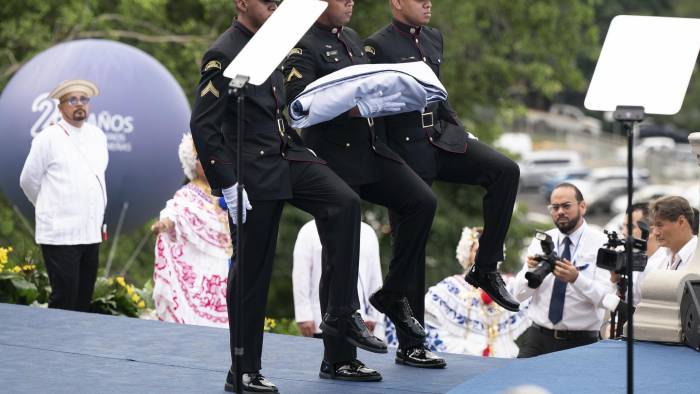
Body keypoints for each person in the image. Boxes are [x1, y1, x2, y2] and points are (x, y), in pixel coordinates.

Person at [190, 1, 385, 391]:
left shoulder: (273, 42)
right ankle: (243, 370)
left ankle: (341, 326)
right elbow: (203, 125)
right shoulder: (223, 52)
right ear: (242, 3)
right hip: (253, 169)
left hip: (286, 155)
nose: (275, 6)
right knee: (253, 271)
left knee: (344, 204)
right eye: (267, 1)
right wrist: (226, 181)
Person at [284, 0, 445, 369]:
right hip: (333, 157)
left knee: (422, 202)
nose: (350, 2)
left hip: (370, 150)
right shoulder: (302, 45)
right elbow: (298, 106)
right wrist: (347, 105)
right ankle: (338, 358)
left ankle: (392, 292)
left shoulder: (352, 38)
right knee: (339, 255)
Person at [363, 0, 521, 316]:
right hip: (404, 151)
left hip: (438, 139)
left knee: (506, 171)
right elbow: (374, 111)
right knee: (411, 246)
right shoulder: (376, 46)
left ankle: (486, 267)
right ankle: (412, 344)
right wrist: (385, 159)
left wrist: (460, 131)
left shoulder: (434, 37)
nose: (428, 3)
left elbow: (439, 94)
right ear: (396, 3)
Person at [19, 79, 107, 312]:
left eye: (84, 99)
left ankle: (75, 348)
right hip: (60, 234)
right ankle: (52, 347)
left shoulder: (98, 136)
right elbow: (27, 180)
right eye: (73, 100)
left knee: (83, 300)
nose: (79, 104)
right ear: (60, 107)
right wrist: (48, 207)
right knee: (64, 299)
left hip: (91, 232)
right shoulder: (47, 138)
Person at [512, 183, 613, 357]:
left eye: (566, 206)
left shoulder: (602, 243)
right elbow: (518, 295)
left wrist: (576, 279)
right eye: (555, 207)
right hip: (538, 337)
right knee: (519, 382)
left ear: (582, 207)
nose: (560, 212)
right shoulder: (541, 240)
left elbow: (606, 298)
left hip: (581, 342)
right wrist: (530, 271)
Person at [151, 133, 231, 328]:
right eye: (201, 157)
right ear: (193, 163)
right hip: (198, 273)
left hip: (227, 268)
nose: (209, 161)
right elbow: (175, 212)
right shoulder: (187, 194)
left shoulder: (228, 192)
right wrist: (165, 223)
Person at [423, 227, 530, 358]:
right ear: (468, 253)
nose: (483, 255)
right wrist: (457, 346)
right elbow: (428, 315)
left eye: (489, 251)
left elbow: (530, 295)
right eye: (477, 251)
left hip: (503, 356)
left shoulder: (509, 285)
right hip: (466, 356)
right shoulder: (451, 286)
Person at [293, 220, 383, 339]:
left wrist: (372, 315)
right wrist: (304, 315)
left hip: (361, 321)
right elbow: (301, 276)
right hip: (320, 318)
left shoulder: (368, 232)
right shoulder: (309, 230)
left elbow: (375, 276)